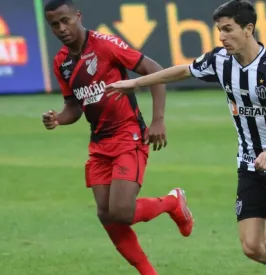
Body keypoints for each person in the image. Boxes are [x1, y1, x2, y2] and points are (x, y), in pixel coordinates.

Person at [103, 1, 266, 274]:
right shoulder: (220, 61)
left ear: (248, 29)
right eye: (219, 30)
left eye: (228, 29)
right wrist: (136, 83)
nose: (222, 36)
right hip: (248, 162)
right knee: (252, 247)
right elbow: (184, 70)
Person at [41, 1, 194, 274]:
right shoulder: (61, 62)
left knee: (121, 212)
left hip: (128, 135)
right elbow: (74, 107)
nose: (62, 28)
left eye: (66, 20)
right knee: (106, 215)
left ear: (78, 16)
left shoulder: (105, 45)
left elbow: (154, 70)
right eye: (55, 24)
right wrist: (57, 119)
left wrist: (158, 119)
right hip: (99, 144)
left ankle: (173, 202)